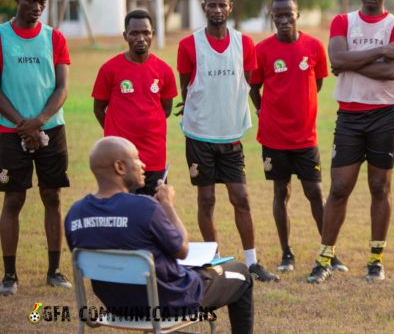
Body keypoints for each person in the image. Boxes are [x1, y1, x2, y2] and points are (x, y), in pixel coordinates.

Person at [65, 137, 254, 333]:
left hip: (118, 306)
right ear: (120, 167)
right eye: (136, 159)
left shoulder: (75, 213)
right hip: (169, 301)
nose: (143, 164)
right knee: (242, 273)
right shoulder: (144, 207)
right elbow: (182, 250)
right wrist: (167, 205)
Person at [307, 0, 394, 284]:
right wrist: (379, 51)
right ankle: (325, 258)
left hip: (384, 114)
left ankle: (375, 261)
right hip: (349, 116)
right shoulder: (343, 21)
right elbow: (337, 60)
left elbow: (389, 72)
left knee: (380, 187)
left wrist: (352, 62)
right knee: (339, 188)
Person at [176, 0, 277, 282]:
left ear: (230, 7)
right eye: (211, 5)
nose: (217, 10)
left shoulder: (245, 44)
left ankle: (252, 262)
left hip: (231, 137)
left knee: (241, 197)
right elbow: (187, 86)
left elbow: (244, 84)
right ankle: (212, 262)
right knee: (206, 200)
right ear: (204, 7)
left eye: (222, 5)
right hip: (200, 136)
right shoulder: (188, 45)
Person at [249, 0, 347, 273]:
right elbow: (254, 88)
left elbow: (316, 83)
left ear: (297, 14)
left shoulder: (314, 47)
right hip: (273, 137)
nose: (282, 20)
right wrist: (263, 112)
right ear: (272, 18)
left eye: (287, 14)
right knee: (281, 192)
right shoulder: (262, 50)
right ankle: (286, 253)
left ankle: (328, 253)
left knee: (315, 192)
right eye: (277, 15)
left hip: (305, 137)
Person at [0, 0, 72, 296]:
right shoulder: (1, 36)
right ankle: (10, 276)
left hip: (51, 129)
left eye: (42, 2)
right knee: (13, 198)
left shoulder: (54, 38)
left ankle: (54, 270)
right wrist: (22, 124)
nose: (37, 7)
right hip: (8, 130)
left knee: (52, 197)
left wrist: (39, 121)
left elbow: (62, 87)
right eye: (31, 0)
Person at [92, 10, 177, 196]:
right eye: (134, 33)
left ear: (152, 34)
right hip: (121, 159)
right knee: (123, 214)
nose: (141, 38)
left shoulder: (164, 70)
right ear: (125, 36)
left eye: (146, 33)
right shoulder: (109, 69)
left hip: (155, 158)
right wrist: (115, 135)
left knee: (156, 212)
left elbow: (166, 109)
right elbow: (99, 109)